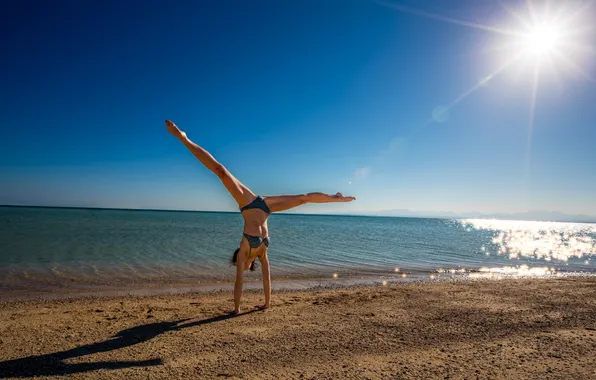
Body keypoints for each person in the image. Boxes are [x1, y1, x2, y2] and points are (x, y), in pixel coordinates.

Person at [166, 120, 356, 314]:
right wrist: (266, 304)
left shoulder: (242, 253)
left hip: (248, 203)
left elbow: (238, 280)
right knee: (302, 199)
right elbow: (266, 278)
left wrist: (236, 309)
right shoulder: (261, 254)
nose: (245, 267)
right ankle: (335, 198)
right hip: (266, 208)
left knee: (221, 171)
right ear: (251, 265)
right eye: (247, 267)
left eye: (242, 265)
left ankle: (183, 138)